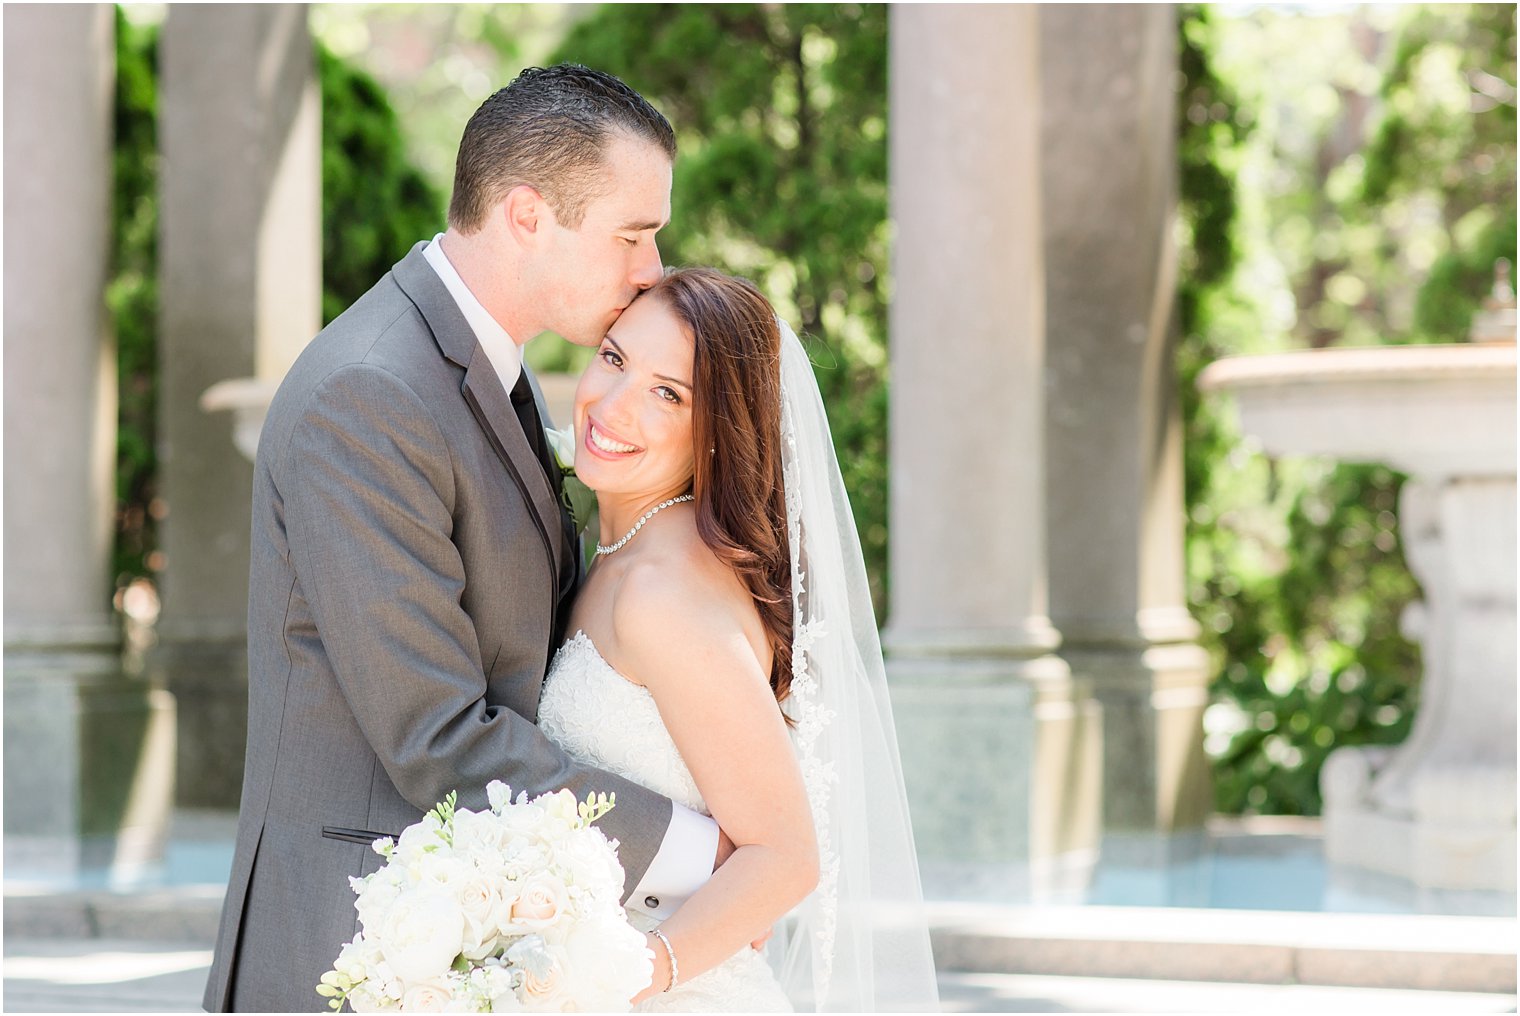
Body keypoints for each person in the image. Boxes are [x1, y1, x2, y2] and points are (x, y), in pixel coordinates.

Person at [203, 66, 731, 1012]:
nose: (651, 267)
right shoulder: (370, 395)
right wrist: (702, 855)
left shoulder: (485, 364)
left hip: (477, 932)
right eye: (632, 233)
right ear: (528, 214)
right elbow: (437, 734)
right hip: (356, 947)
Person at [538, 267, 940, 1011]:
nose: (613, 404)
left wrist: (628, 975)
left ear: (717, 431)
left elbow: (784, 856)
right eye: (616, 358)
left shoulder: (664, 590)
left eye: (669, 393)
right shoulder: (627, 547)